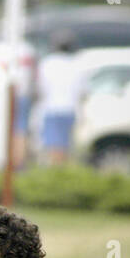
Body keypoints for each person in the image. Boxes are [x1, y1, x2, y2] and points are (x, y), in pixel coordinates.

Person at [36, 30, 81, 164]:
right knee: (66, 145)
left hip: (52, 108)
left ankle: (57, 173)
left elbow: (41, 88)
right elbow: (82, 91)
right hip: (70, 108)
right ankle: (61, 172)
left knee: (54, 146)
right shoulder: (76, 64)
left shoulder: (47, 63)